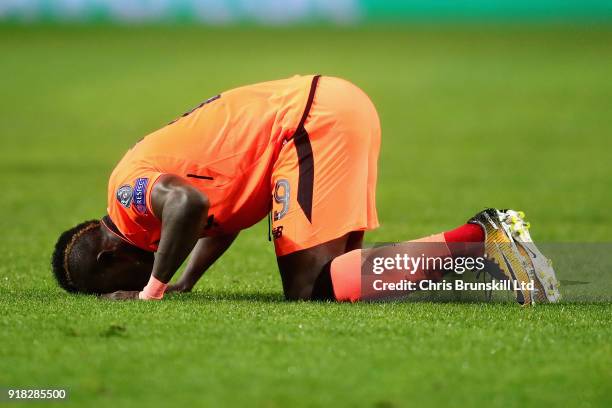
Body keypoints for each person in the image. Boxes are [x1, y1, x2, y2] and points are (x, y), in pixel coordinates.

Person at [51, 75, 560, 304]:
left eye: (116, 285)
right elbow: (216, 220)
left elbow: (191, 205)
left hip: (310, 123)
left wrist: (153, 292)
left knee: (307, 289)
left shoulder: (127, 197)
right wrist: (185, 282)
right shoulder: (150, 214)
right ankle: (486, 248)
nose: (130, 284)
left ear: (106, 258)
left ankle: (482, 238)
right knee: (334, 284)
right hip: (323, 115)